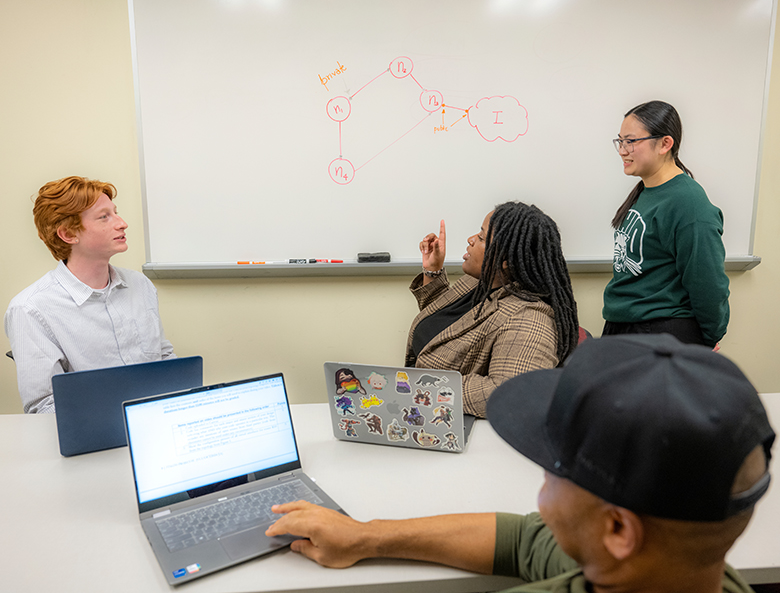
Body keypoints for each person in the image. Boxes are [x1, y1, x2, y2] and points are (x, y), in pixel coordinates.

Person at [266, 334, 774, 593]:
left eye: (552, 466)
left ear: (618, 528)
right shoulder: (680, 570)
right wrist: (366, 536)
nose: (540, 481)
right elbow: (525, 540)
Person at [4, 176, 175, 413]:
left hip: (158, 425)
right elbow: (44, 406)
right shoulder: (30, 309)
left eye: (115, 212)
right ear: (68, 234)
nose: (122, 223)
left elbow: (164, 359)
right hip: (93, 439)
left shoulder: (140, 285)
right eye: (104, 217)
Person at [404, 201, 579, 417]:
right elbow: (445, 329)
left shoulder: (529, 320)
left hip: (454, 427)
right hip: (419, 410)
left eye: (481, 237)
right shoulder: (478, 283)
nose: (470, 239)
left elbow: (511, 394)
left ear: (505, 260)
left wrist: (424, 386)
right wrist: (433, 271)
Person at [603, 100, 729, 348]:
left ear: (665, 143)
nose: (622, 150)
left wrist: (710, 336)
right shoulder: (646, 191)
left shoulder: (688, 202)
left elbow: (707, 281)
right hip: (627, 328)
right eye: (620, 141)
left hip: (660, 333)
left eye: (631, 141)